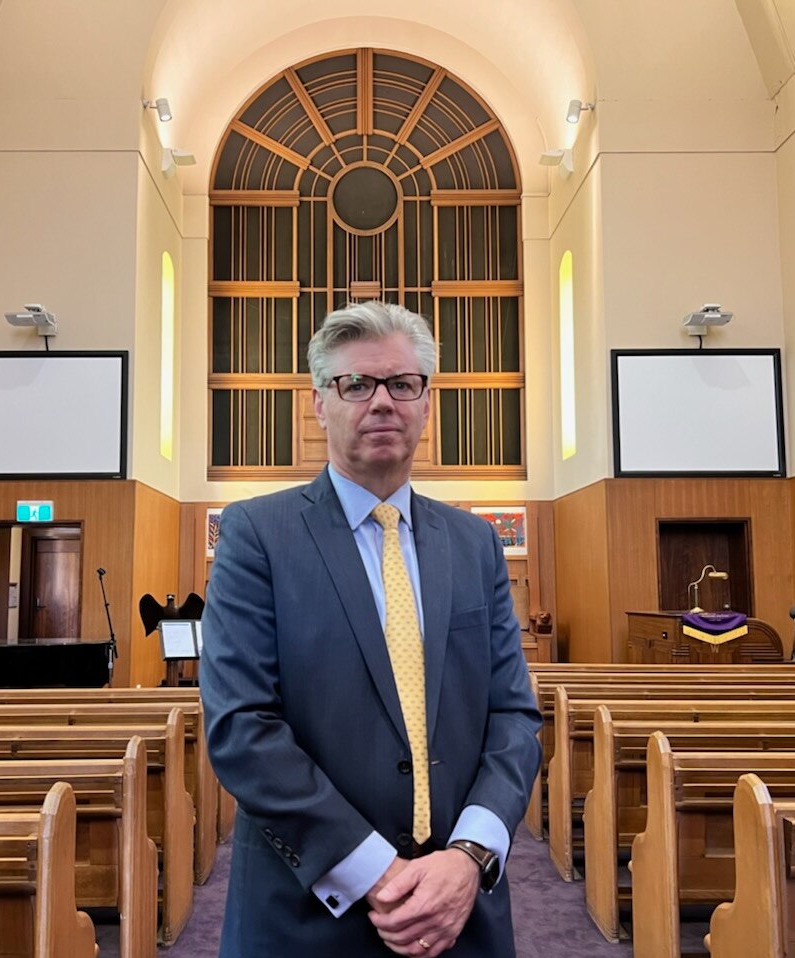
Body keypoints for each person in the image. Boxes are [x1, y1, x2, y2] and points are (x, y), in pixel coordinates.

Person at [201, 301, 542, 957]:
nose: (382, 401)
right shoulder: (257, 535)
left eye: (402, 383)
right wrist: (376, 873)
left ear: (426, 403)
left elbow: (512, 715)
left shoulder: (474, 543)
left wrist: (469, 856)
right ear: (319, 403)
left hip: (459, 908)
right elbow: (242, 727)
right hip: (306, 912)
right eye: (356, 383)